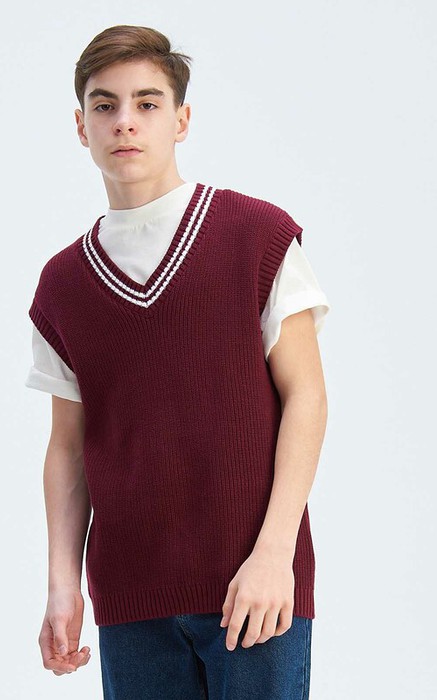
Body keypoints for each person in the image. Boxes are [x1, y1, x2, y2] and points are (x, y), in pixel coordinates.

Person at [25, 24, 330, 700]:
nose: (124, 122)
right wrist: (61, 585)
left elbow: (306, 398)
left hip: (253, 586)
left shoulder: (256, 236)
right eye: (104, 105)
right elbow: (67, 447)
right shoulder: (62, 285)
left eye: (147, 102)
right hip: (130, 597)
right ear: (80, 126)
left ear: (181, 120)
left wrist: (274, 554)